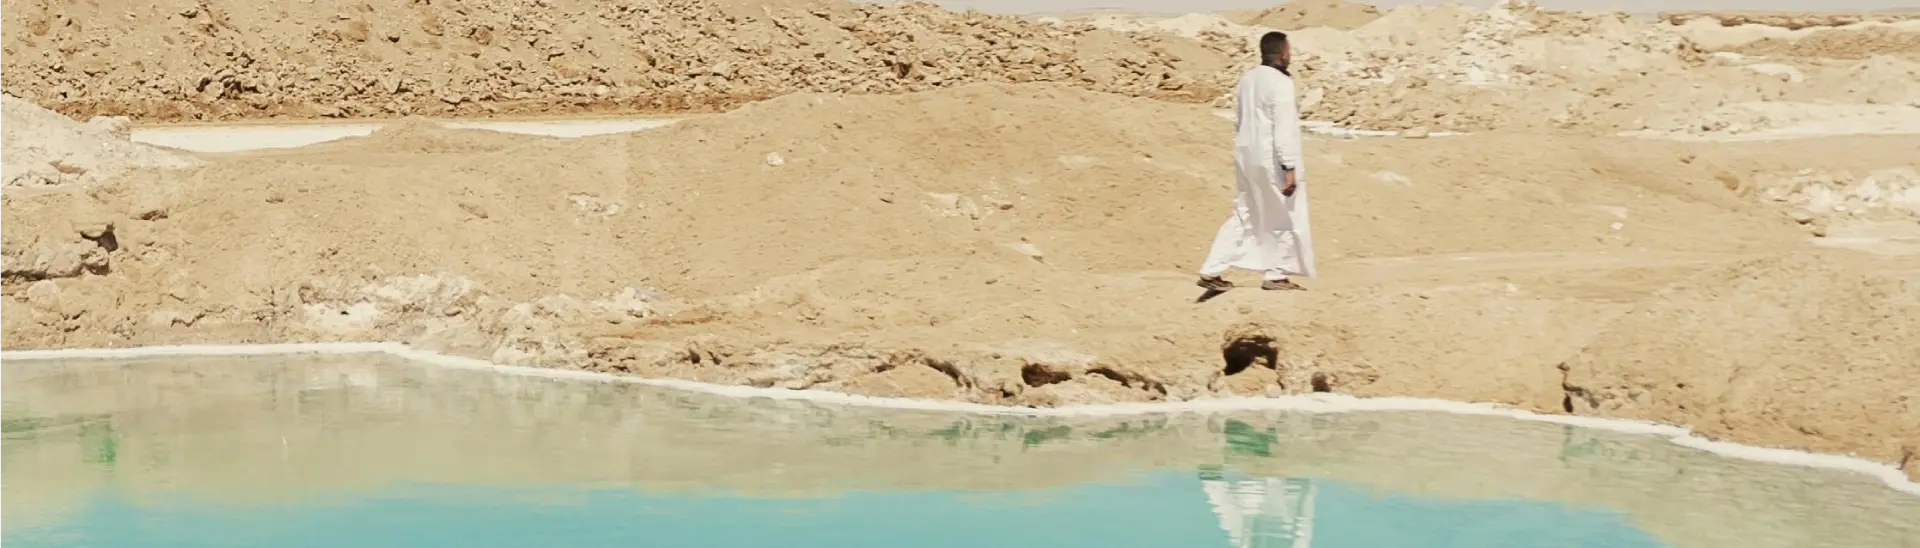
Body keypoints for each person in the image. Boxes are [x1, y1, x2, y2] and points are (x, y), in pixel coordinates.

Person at [1197, 31, 1316, 292]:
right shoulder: (1281, 82)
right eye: (1289, 50)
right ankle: (1276, 275)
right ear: (1283, 52)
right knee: (1285, 213)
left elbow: (1239, 120)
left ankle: (1212, 269)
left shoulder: (1248, 79)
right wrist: (1289, 167)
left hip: (1246, 154)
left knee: (1245, 212)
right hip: (1270, 157)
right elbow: (1283, 128)